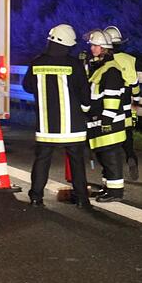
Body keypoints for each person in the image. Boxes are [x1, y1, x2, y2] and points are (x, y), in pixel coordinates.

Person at [21, 24, 92, 208]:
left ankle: (36, 197)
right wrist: (86, 109)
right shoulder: (74, 64)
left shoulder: (37, 62)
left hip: (46, 125)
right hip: (72, 125)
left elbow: (27, 86)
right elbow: (84, 91)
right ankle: (82, 199)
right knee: (76, 161)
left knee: (42, 160)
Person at [86, 29, 130, 202]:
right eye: (92, 45)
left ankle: (115, 193)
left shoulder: (111, 70)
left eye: (95, 46)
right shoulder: (100, 67)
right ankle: (108, 188)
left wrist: (107, 120)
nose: (92, 48)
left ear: (104, 48)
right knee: (104, 157)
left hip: (110, 124)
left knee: (111, 158)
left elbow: (112, 97)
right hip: (101, 122)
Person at [104, 25, 140, 181]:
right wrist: (136, 101)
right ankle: (130, 156)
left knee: (110, 140)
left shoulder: (104, 60)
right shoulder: (129, 59)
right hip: (126, 103)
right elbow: (135, 84)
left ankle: (112, 172)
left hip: (110, 102)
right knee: (127, 136)